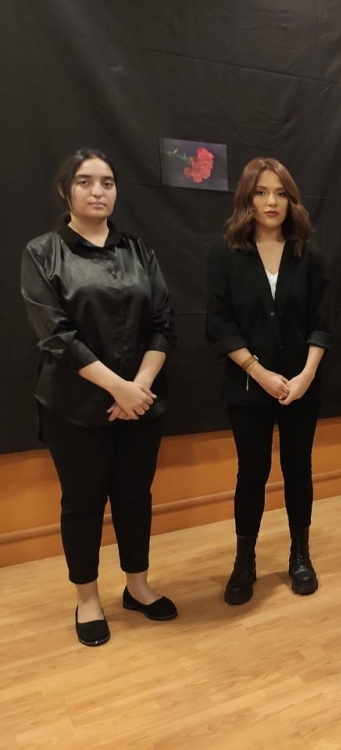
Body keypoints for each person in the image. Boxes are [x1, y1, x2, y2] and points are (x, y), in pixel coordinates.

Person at [21, 148, 178, 647]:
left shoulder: (139, 251)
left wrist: (140, 387)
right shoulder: (42, 253)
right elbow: (56, 335)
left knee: (135, 497)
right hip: (75, 405)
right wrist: (118, 388)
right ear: (65, 189)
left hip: (141, 403)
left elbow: (163, 324)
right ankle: (87, 598)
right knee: (83, 503)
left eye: (107, 182)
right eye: (85, 181)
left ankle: (137, 585)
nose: (98, 191)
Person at [206, 157, 333, 606]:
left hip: (301, 386)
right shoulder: (226, 254)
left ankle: (300, 554)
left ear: (291, 199)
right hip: (247, 386)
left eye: (280, 192)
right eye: (261, 192)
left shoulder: (309, 256)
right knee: (252, 473)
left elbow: (322, 323)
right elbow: (219, 325)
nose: (271, 201)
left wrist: (306, 375)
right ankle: (245, 561)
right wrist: (259, 372)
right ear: (247, 198)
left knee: (299, 469)